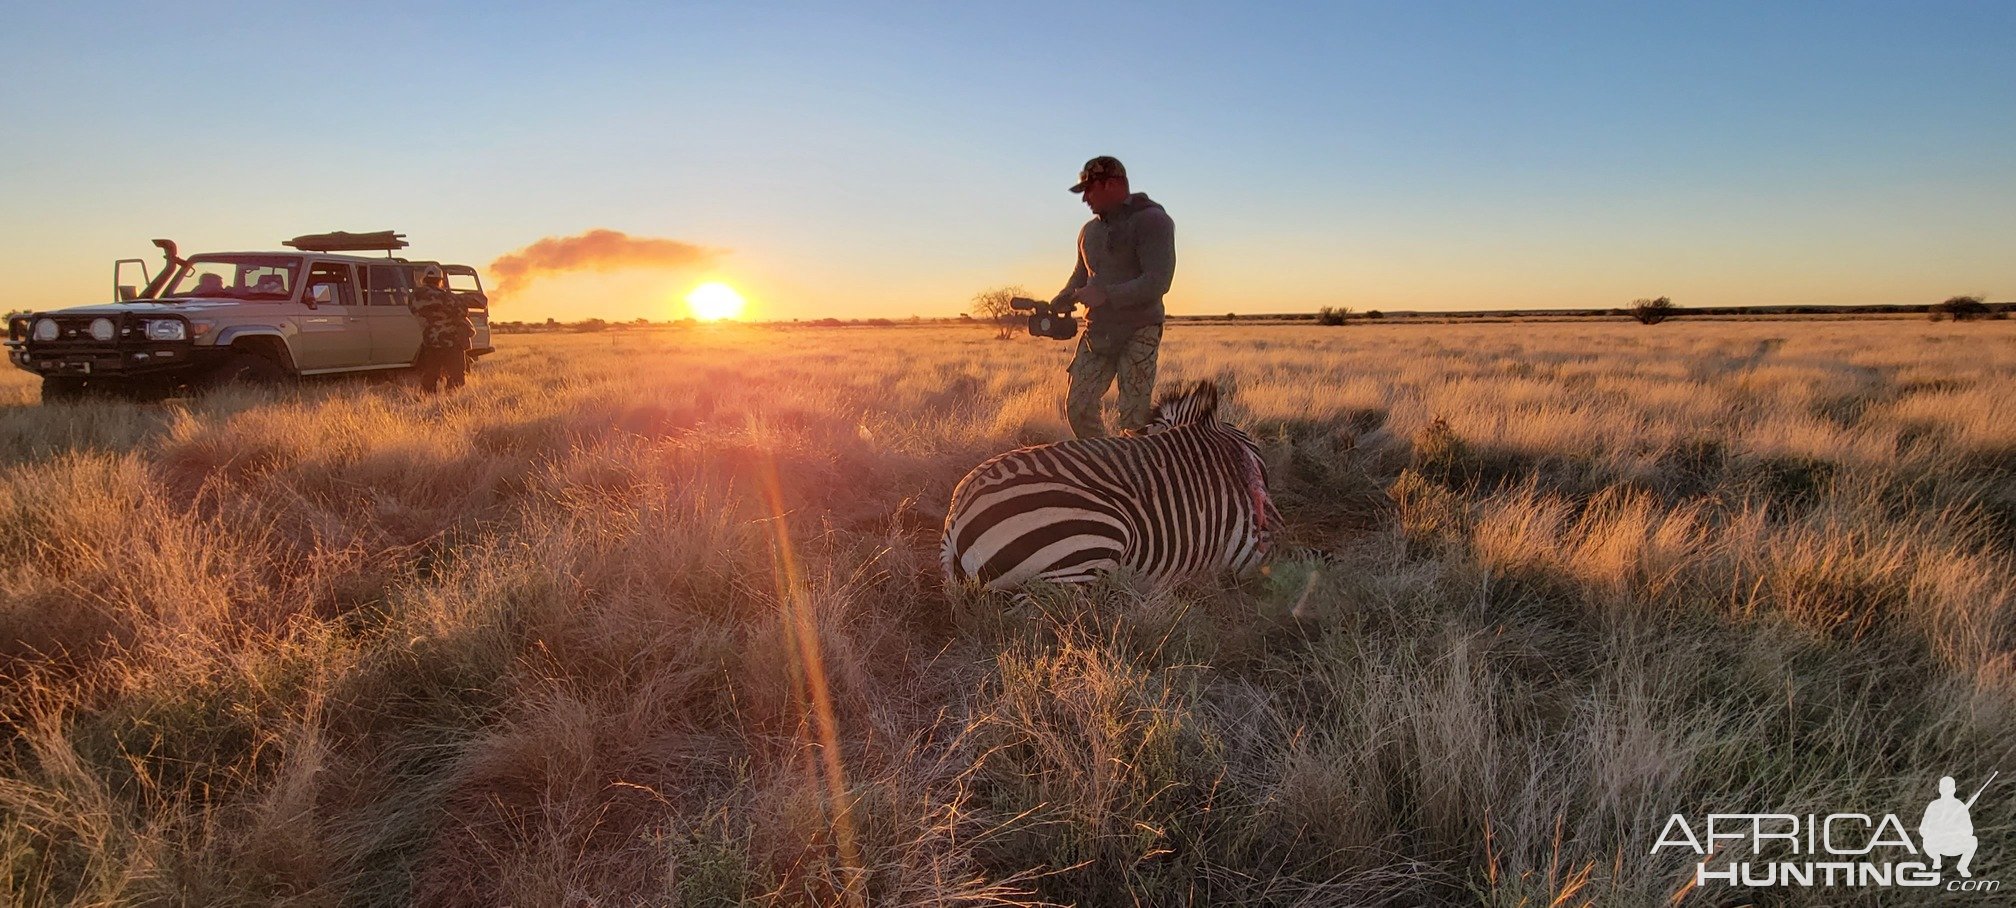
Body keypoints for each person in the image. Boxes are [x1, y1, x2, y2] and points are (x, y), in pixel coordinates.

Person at [1050, 155, 1175, 438]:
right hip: (1099, 331)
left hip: (1140, 329)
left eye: (1089, 190)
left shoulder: (1153, 221)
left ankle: (1136, 475)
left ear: (1112, 185)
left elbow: (1158, 281)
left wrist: (1106, 295)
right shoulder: (1088, 231)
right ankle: (1103, 466)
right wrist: (1063, 297)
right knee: (1078, 407)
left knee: (1134, 418)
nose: (1085, 200)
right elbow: (1081, 275)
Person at [410, 264, 473, 392]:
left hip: (430, 341)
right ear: (440, 280)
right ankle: (452, 402)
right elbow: (461, 312)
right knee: (456, 376)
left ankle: (427, 401)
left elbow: (414, 311)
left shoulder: (414, 296)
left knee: (430, 375)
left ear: (424, 279)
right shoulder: (445, 296)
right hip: (450, 341)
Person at [1920, 775, 1984, 877]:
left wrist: (1954, 830)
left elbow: (1969, 831)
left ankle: (1962, 866)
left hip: (1953, 845)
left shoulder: (1960, 807)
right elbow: (1923, 829)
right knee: (1926, 840)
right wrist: (1936, 831)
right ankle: (1936, 859)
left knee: (1972, 841)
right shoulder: (1934, 806)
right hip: (1936, 844)